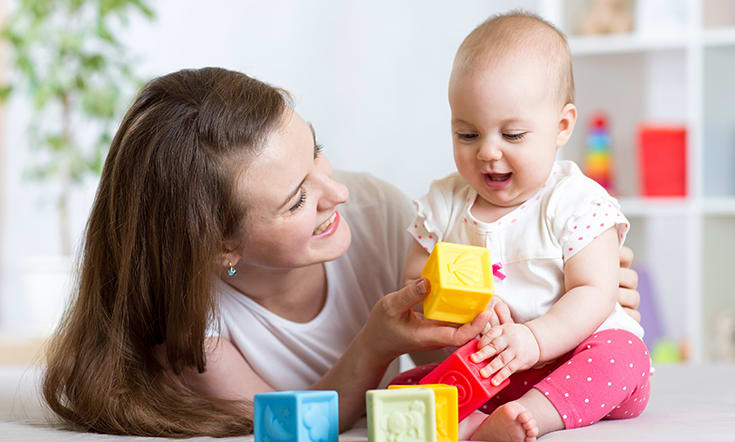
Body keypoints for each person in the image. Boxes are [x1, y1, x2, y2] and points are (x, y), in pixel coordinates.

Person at [41, 67, 642, 438]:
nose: (339, 193)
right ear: (219, 244)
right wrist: (377, 342)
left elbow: (505, 274)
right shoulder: (200, 335)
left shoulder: (379, 210)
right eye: (299, 197)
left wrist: (580, 287)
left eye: (317, 151)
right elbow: (301, 425)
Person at [394, 11, 649, 442]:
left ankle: (530, 415)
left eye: (512, 135)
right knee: (403, 388)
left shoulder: (575, 201)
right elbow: (413, 287)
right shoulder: (442, 206)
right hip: (492, 370)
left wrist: (533, 340)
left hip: (575, 358)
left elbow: (596, 292)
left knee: (624, 355)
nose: (488, 152)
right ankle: (478, 422)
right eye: (468, 135)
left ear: (562, 126)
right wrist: (463, 315)